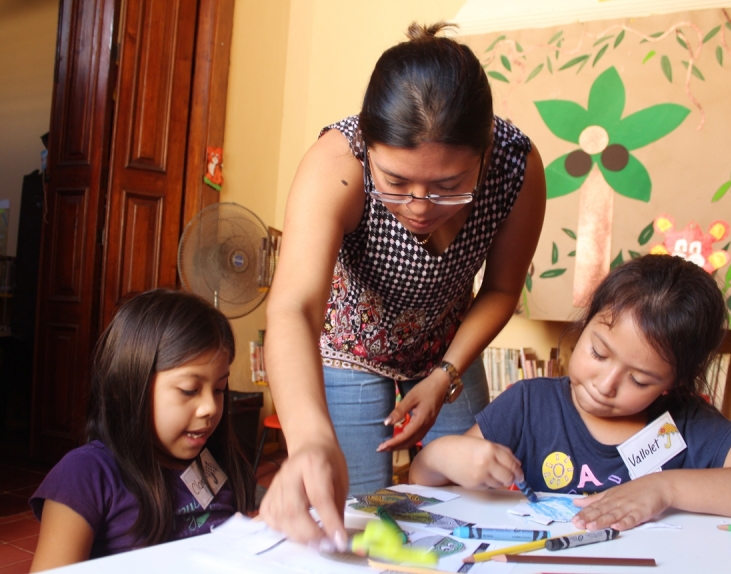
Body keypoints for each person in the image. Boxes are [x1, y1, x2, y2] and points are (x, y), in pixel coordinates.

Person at [260, 21, 546, 547]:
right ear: (369, 148)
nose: (418, 207)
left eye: (448, 187)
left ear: (483, 154)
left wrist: (444, 374)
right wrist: (308, 439)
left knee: (472, 505)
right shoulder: (337, 162)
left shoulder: (516, 167)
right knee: (353, 519)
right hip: (349, 349)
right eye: (395, 183)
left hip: (447, 347)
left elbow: (502, 289)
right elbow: (293, 307)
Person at [409, 254, 731, 530]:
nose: (605, 384)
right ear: (586, 324)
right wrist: (447, 455)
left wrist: (665, 488)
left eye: (640, 380)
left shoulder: (686, 425)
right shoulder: (528, 404)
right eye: (598, 352)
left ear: (674, 383)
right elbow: (420, 478)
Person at [29, 289, 255, 571]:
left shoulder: (216, 462)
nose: (210, 407)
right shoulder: (84, 475)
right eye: (189, 390)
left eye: (220, 389)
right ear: (125, 388)